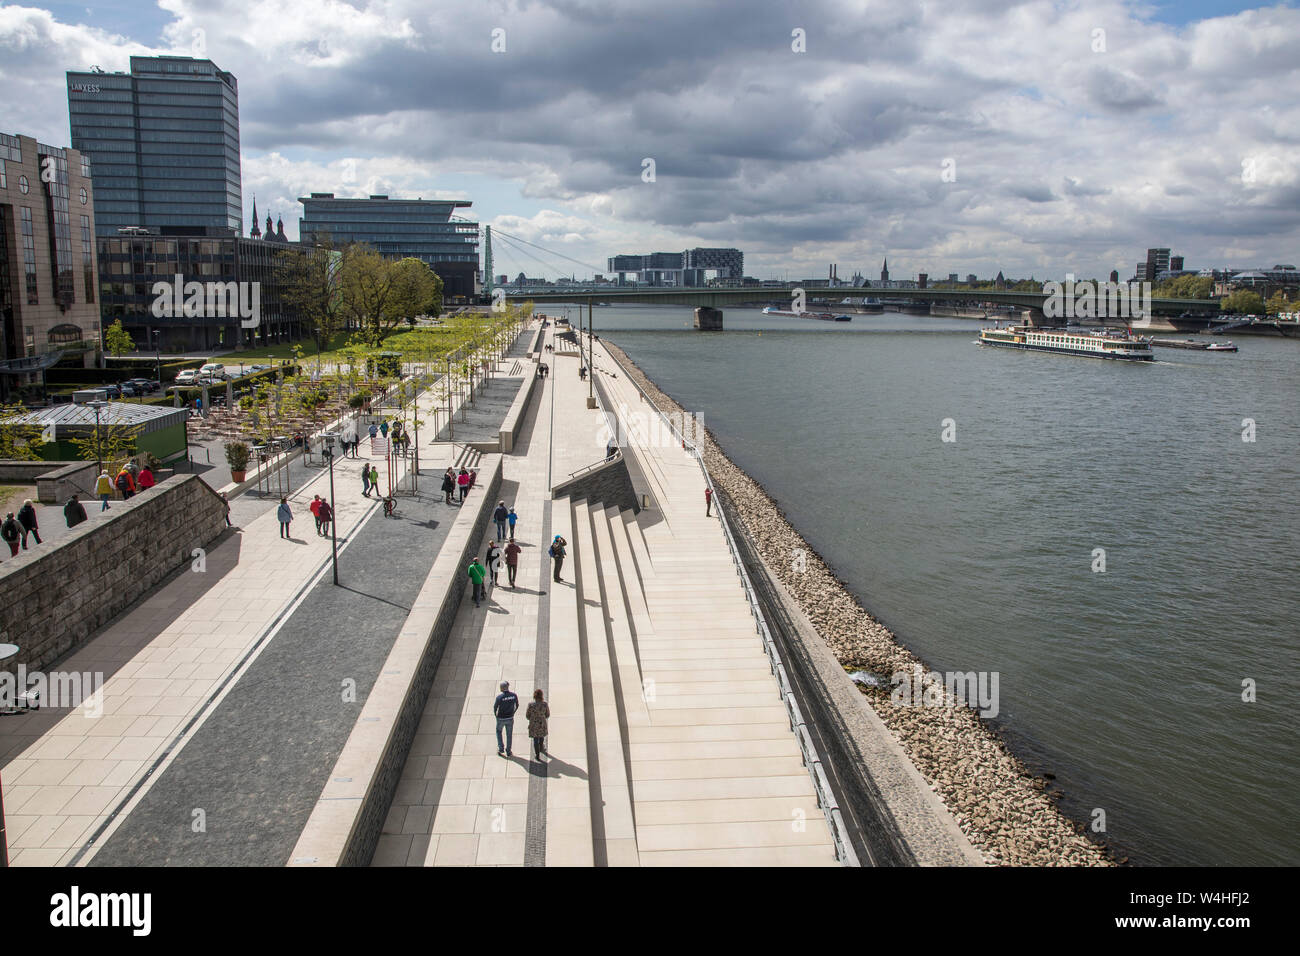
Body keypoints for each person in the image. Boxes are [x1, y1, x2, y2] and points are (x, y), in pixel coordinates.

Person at [494, 681, 519, 757]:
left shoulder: (499, 697)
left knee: (499, 732)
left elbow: (495, 708)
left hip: (501, 718)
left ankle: (501, 748)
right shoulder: (514, 695)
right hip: (510, 718)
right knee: (509, 734)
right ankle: (508, 751)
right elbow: (517, 705)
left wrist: (496, 716)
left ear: (501, 688)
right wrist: (513, 713)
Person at [526, 689, 550, 760]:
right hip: (542, 723)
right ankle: (541, 747)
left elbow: (527, 715)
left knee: (535, 739)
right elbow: (547, 714)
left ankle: (537, 755)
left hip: (533, 724)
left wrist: (532, 718)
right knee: (541, 736)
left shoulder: (531, 705)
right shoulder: (544, 704)